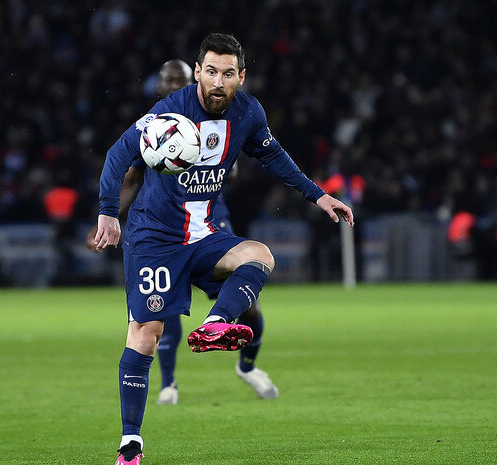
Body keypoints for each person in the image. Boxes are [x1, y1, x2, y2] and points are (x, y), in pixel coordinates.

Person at [95, 33, 354, 464]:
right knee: (145, 335)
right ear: (198, 72)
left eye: (228, 73)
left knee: (259, 255)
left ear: (241, 77)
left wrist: (318, 195)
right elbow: (117, 154)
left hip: (206, 233)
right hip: (154, 238)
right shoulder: (169, 111)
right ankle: (130, 444)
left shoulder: (248, 113)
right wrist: (107, 211)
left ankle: (216, 323)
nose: (218, 81)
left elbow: (276, 158)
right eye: (210, 71)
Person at [90, 59, 279, 405]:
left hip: (210, 217)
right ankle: (169, 383)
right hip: (164, 225)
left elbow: (235, 166)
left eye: (179, 78)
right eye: (167, 80)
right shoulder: (157, 124)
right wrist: (109, 216)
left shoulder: (220, 116)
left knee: (249, 302)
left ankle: (247, 365)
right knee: (162, 311)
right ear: (160, 85)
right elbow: (129, 174)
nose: (174, 85)